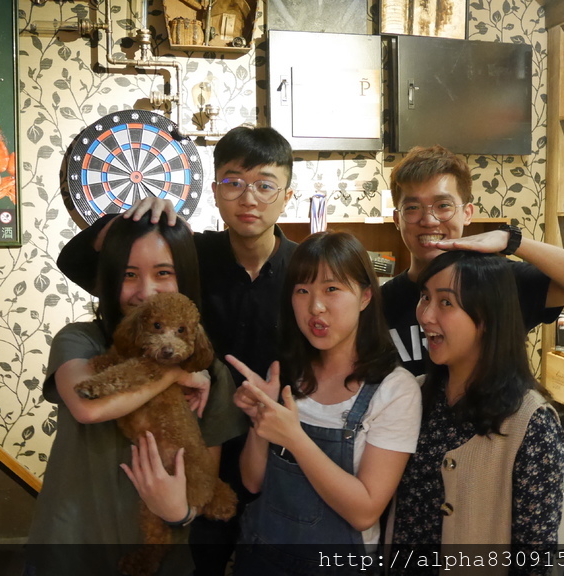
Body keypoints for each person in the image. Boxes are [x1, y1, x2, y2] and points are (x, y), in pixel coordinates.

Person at [56, 125, 297, 576]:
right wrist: (129, 221)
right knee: (193, 552)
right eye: (234, 182)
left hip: (275, 443)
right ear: (215, 190)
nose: (249, 198)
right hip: (195, 433)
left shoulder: (304, 268)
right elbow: (85, 265)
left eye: (265, 185)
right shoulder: (190, 254)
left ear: (287, 195)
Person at [27, 215, 245, 576]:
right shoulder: (80, 341)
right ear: (111, 277)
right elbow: (89, 407)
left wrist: (180, 512)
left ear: (185, 278)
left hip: (163, 562)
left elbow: (203, 473)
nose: (146, 291)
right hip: (71, 550)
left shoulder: (211, 372)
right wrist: (173, 372)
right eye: (129, 274)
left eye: (163, 273)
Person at [227, 231, 422, 575]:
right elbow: (253, 482)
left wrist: (294, 438)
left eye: (331, 289)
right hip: (260, 556)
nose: (315, 306)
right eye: (302, 291)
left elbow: (364, 511)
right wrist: (261, 419)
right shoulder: (285, 373)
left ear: (364, 296)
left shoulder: (395, 390)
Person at [389, 250, 564, 575]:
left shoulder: (530, 421)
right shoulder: (414, 394)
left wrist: (512, 240)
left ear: (486, 317)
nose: (425, 315)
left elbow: (534, 559)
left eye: (445, 302)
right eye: (424, 298)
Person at [382, 145, 564, 375]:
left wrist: (510, 239)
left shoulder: (499, 281)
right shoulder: (380, 304)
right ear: (397, 219)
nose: (429, 220)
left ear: (467, 213)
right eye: (413, 208)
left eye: (443, 206)